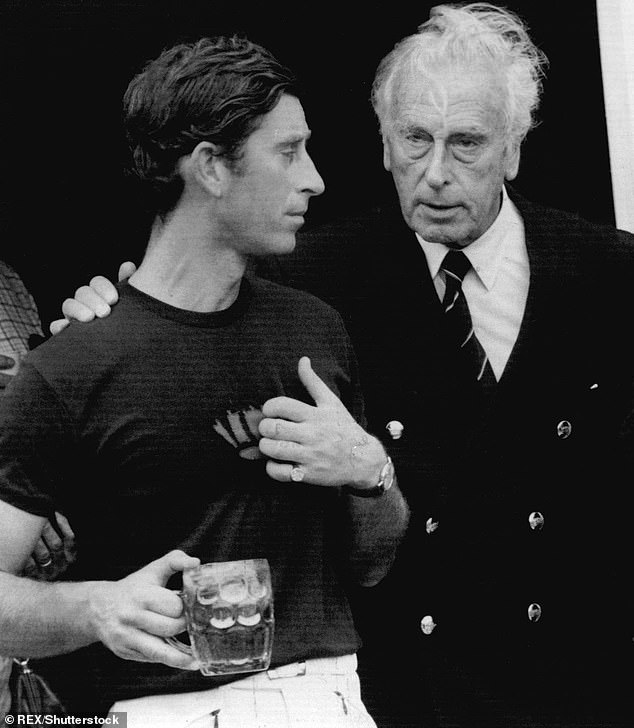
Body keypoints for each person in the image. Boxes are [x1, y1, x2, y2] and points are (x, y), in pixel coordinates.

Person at [64, 4, 634, 726]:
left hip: (574, 684)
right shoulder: (306, 279)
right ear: (384, 145)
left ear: (513, 151)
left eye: (466, 144)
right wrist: (103, 321)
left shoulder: (610, 276)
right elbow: (174, 323)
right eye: (414, 140)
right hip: (403, 690)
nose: (434, 174)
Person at [0, 35, 409, 727]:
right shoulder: (71, 366)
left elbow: (371, 565)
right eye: (288, 151)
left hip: (332, 699)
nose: (315, 179)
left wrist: (372, 473)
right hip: (167, 710)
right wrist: (97, 608)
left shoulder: (315, 331)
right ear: (212, 168)